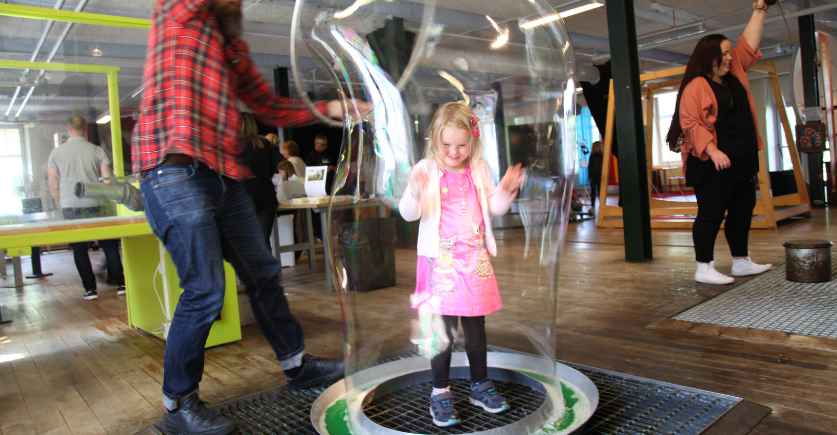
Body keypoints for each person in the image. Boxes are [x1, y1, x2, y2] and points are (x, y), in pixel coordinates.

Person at [131, 1, 365, 433]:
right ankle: (179, 404)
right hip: (172, 172)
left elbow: (265, 105)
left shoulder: (230, 44)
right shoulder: (175, 12)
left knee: (262, 272)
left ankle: (297, 366)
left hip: (222, 176)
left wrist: (329, 109)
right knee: (205, 288)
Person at [399, 102, 525, 427]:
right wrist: (414, 194)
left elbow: (492, 206)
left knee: (475, 328)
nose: (454, 152)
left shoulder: (478, 168)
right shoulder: (425, 169)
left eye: (461, 145)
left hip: (474, 259)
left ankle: (479, 384)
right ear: (434, 139)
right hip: (439, 262)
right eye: (447, 145)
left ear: (473, 142)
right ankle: (440, 391)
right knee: (442, 331)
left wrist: (508, 189)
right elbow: (408, 213)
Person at [667, 0, 772, 285]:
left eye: (729, 53)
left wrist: (760, 9)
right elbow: (691, 124)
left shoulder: (734, 71)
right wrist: (713, 151)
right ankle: (704, 267)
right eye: (723, 54)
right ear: (709, 56)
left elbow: (748, 43)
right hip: (712, 162)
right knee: (712, 213)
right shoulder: (696, 86)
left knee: (742, 210)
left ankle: (741, 262)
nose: (729, 58)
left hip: (741, 158)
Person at [48, 115, 126, 301]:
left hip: (71, 206)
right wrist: (109, 201)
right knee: (108, 244)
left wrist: (60, 202)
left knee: (79, 248)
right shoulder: (97, 150)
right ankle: (121, 284)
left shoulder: (56, 153)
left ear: (68, 129)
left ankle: (90, 290)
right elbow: (108, 180)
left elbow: (52, 183)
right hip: (95, 203)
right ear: (85, 129)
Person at [238, 112, 280, 249]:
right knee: (263, 240)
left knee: (246, 243)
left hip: (243, 195)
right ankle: (270, 270)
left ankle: (248, 271)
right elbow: (272, 170)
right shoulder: (264, 143)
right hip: (266, 194)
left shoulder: (233, 146)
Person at [587, 141, 604, 213]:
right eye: (594, 147)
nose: (596, 149)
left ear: (600, 147)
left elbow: (606, 167)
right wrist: (590, 177)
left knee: (601, 192)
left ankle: (602, 207)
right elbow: (590, 167)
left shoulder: (603, 155)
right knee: (593, 191)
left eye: (597, 147)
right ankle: (593, 207)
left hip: (601, 176)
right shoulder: (592, 156)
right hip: (593, 175)